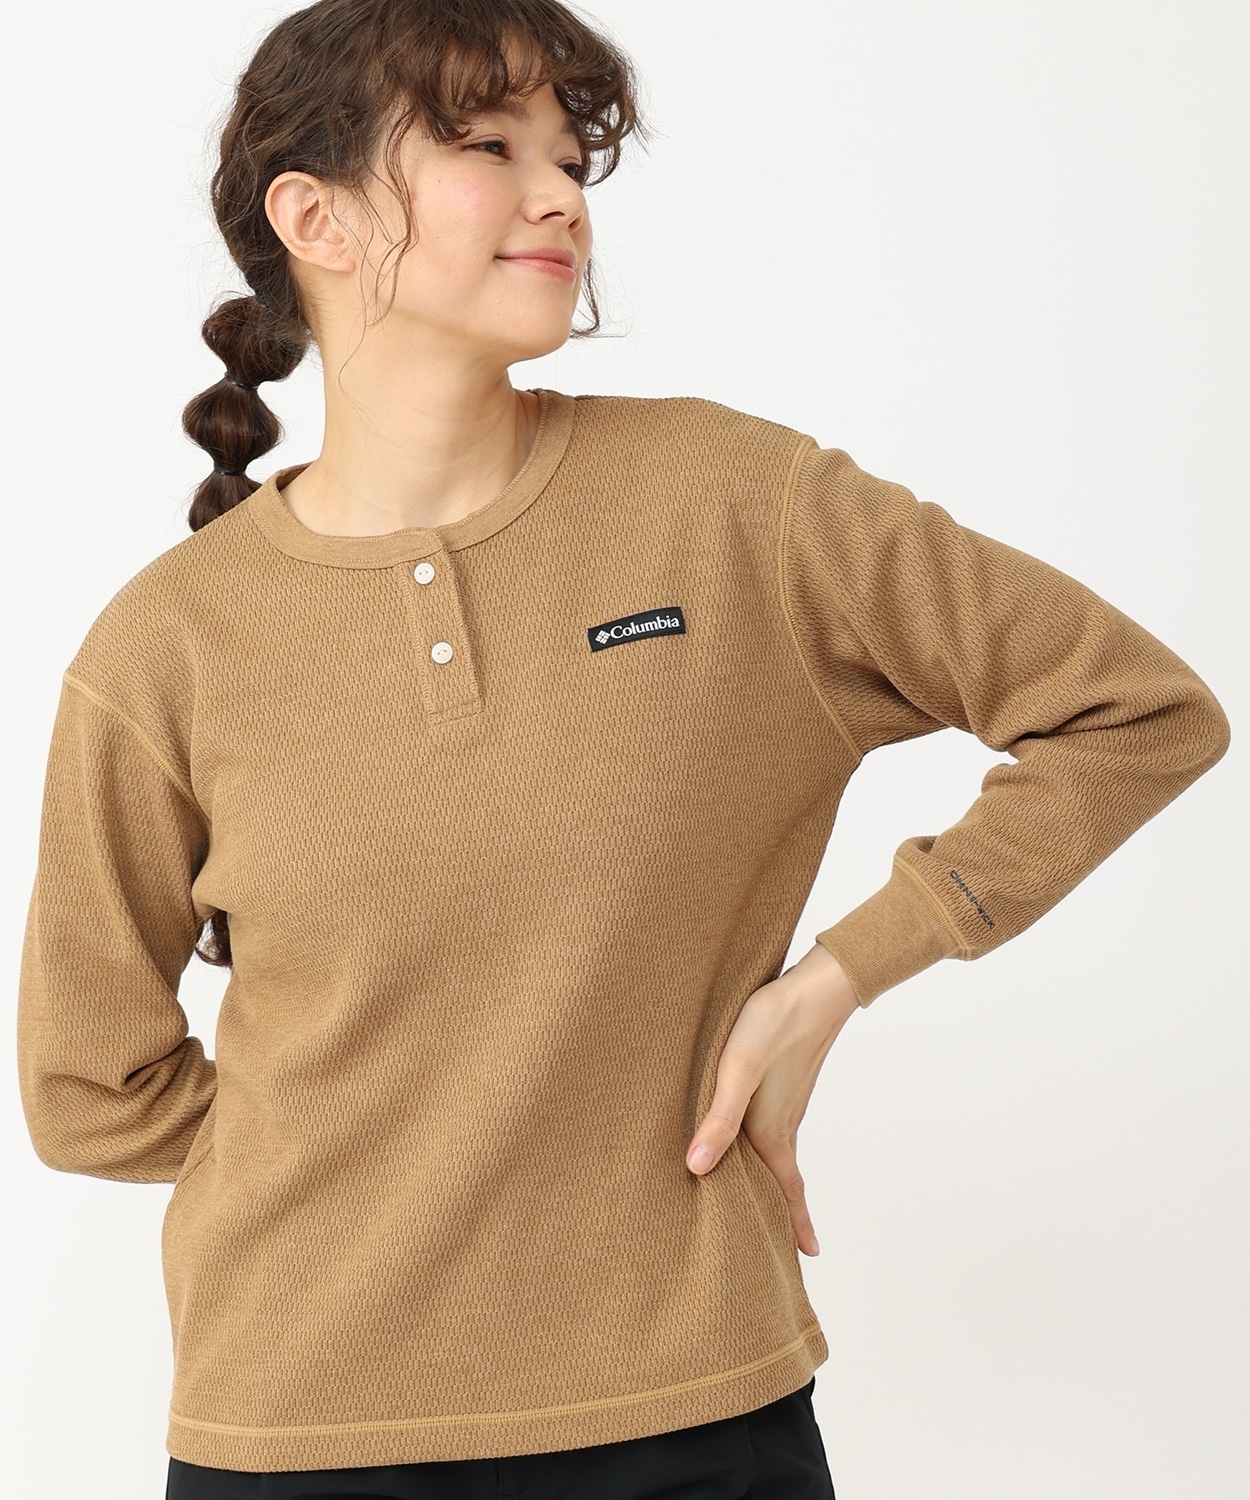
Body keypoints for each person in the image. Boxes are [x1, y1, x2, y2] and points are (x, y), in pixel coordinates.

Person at [15, 1, 1230, 1497]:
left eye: (569, 156)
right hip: (298, 1435)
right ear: (313, 219)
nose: (559, 196)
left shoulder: (734, 505)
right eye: (487, 145)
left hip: (694, 1417)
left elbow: (1133, 711)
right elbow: (85, 1084)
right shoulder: (170, 642)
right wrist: (358, 1171)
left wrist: (838, 978)